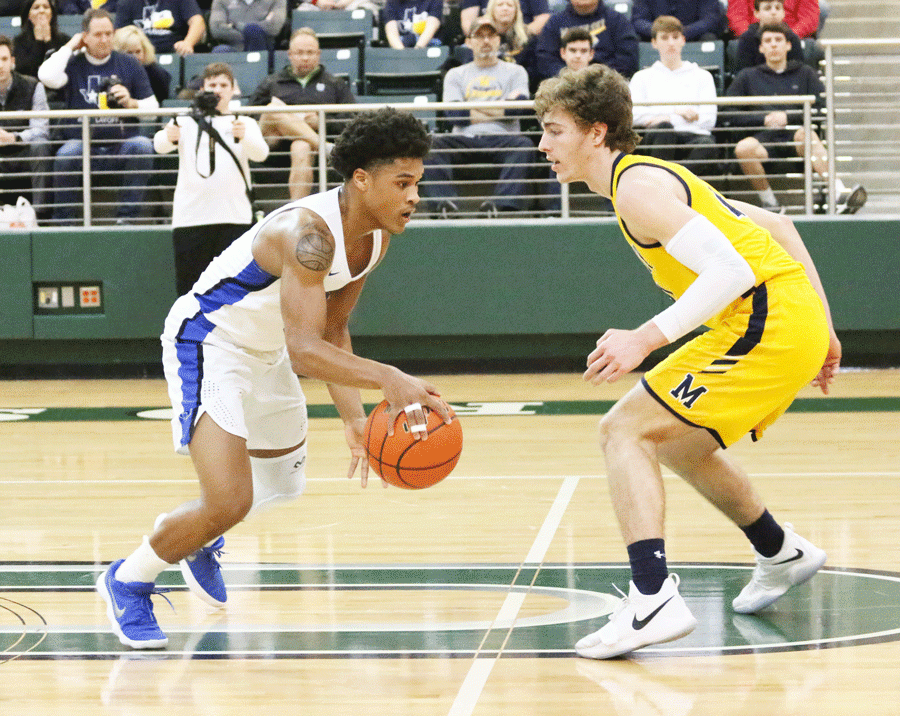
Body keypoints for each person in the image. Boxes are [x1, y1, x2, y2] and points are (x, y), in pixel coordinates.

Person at [96, 107, 453, 649]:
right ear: (362, 179)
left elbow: (332, 330)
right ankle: (129, 578)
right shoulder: (306, 233)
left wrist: (355, 418)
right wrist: (389, 379)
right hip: (210, 343)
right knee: (228, 501)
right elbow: (305, 350)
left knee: (283, 486)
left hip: (270, 353)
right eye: (402, 183)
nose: (413, 196)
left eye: (417, 184)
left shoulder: (375, 237)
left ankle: (196, 534)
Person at [534, 62, 839, 659]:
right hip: (779, 315)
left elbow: (733, 270)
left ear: (596, 132)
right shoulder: (647, 178)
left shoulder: (636, 189)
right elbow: (777, 225)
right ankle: (781, 550)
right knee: (677, 440)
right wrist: (826, 329)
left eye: (554, 130)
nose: (542, 145)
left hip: (766, 319)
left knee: (623, 429)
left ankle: (652, 599)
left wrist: (644, 338)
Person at [726, 22, 865, 214]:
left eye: (778, 40)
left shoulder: (805, 73)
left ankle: (838, 193)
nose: (773, 45)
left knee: (806, 134)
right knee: (743, 148)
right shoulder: (747, 76)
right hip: (763, 140)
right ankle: (770, 203)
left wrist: (788, 117)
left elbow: (824, 109)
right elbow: (728, 112)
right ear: (761, 47)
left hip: (796, 138)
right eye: (768, 40)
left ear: (788, 45)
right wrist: (764, 119)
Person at [155, 62, 268, 295]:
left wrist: (244, 137)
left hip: (235, 216)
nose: (218, 89)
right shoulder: (184, 120)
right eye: (212, 84)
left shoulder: (243, 121)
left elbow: (261, 154)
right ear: (202, 89)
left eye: (223, 85)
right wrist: (169, 136)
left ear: (233, 89)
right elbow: (159, 146)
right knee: (190, 290)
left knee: (235, 289)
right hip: (191, 217)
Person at [38, 8, 160, 224]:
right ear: (84, 37)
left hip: (121, 144)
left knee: (142, 145)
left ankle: (127, 219)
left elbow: (153, 109)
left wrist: (131, 103)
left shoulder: (129, 63)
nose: (104, 39)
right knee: (66, 155)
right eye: (97, 34)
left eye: (108, 33)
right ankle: (63, 222)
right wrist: (69, 46)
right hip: (81, 143)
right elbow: (46, 76)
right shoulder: (73, 63)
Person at [421, 15, 534, 217]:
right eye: (479, 36)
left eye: (491, 35)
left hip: (504, 139)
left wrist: (473, 108)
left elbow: (517, 110)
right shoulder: (455, 74)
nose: (486, 41)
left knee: (525, 145)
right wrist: (501, 110)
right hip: (464, 138)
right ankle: (444, 204)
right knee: (430, 144)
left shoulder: (516, 72)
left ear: (499, 40)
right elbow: (456, 116)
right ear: (469, 42)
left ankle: (501, 206)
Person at [248, 27, 356, 200]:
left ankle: (296, 212)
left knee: (301, 146)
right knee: (273, 107)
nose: (305, 57)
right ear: (290, 54)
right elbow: (249, 115)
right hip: (272, 144)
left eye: (310, 52)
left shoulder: (334, 84)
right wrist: (279, 125)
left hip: (308, 147)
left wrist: (321, 121)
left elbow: (351, 120)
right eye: (299, 53)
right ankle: (325, 147)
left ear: (318, 54)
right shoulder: (272, 82)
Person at [629, 16, 719, 179]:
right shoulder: (641, 77)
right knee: (664, 129)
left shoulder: (703, 76)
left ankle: (670, 180)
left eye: (675, 37)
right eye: (664, 38)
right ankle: (671, 182)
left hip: (693, 137)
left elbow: (708, 121)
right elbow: (634, 116)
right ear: (654, 43)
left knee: (708, 147)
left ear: (683, 40)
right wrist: (677, 114)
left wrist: (661, 116)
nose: (671, 43)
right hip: (657, 138)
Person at [0, 35, 51, 209]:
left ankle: (40, 215)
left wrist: (14, 137)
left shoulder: (33, 86)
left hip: (24, 150)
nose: (0, 65)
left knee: (41, 144)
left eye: (4, 59)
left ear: (12, 61)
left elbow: (41, 129)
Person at [535, 0, 638, 82]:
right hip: (563, 84)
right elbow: (545, 59)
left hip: (605, 85)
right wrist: (569, 76)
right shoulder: (554, 23)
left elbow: (627, 60)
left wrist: (596, 77)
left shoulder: (617, 20)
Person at [733, 0, 805, 73]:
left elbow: (799, 74)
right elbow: (743, 74)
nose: (773, 12)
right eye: (767, 8)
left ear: (783, 13)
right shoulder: (747, 39)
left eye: (777, 8)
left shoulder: (792, 38)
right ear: (756, 13)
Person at [115, 0, 205, 56]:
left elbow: (197, 22)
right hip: (139, 53)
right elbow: (119, 33)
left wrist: (188, 43)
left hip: (174, 51)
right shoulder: (126, 2)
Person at [13, 0, 71, 82]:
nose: (41, 11)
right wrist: (39, 42)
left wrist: (48, 42)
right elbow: (24, 72)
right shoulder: (18, 42)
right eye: (36, 8)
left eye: (46, 7)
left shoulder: (64, 40)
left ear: (52, 13)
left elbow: (62, 70)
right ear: (28, 15)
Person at [113, 24, 171, 102]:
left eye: (138, 52)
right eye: (129, 53)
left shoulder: (157, 75)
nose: (134, 58)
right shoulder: (111, 71)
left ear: (145, 50)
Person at [208, 0, 287, 53]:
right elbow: (217, 29)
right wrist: (251, 31)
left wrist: (235, 25)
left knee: (253, 30)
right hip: (233, 48)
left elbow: (273, 27)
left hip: (263, 49)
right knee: (220, 51)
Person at [630, 0, 725, 43]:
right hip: (658, 38)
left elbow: (711, 19)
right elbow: (638, 20)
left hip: (693, 37)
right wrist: (662, 31)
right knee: (635, 40)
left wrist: (681, 32)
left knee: (709, 39)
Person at [460, 0, 549, 41]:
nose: (505, 8)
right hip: (486, 38)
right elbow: (468, 23)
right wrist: (483, 37)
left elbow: (543, 19)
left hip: (521, 38)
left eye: (509, 5)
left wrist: (519, 36)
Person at [728, 0, 819, 39]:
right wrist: (751, 37)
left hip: (790, 32)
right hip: (755, 32)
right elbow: (737, 16)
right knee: (736, 47)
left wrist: (790, 37)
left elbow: (809, 17)